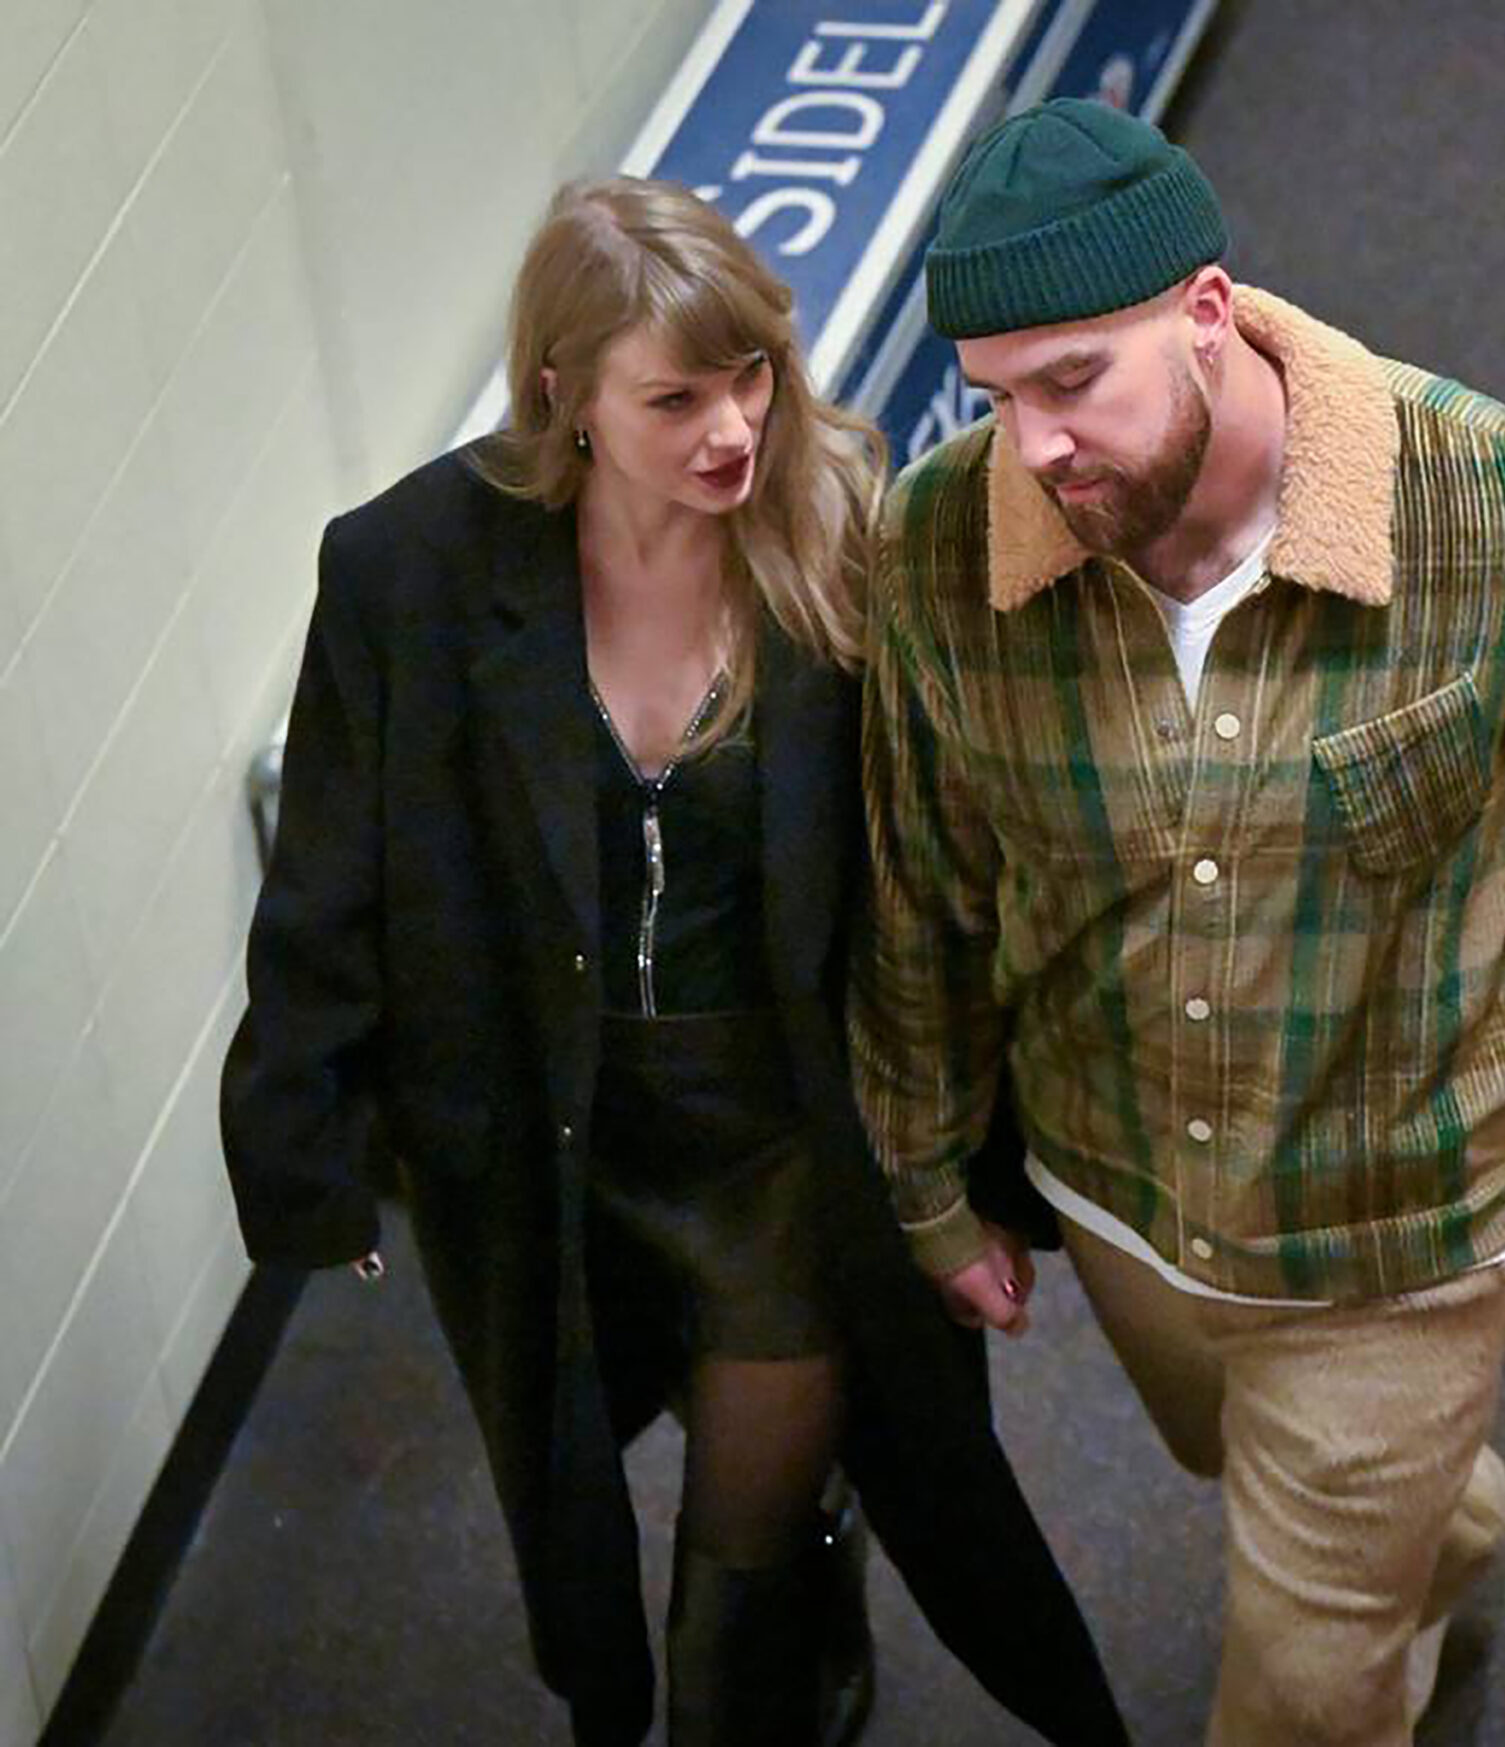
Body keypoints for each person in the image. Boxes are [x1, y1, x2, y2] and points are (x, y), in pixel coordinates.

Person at [853, 100, 1505, 1745]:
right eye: (996, 397)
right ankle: (1439, 1518)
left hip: (1394, 1229)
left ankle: (1387, 1516)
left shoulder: (1492, 509)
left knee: (1312, 1688)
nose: (1035, 447)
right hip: (1118, 1190)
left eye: (1072, 383)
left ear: (1204, 318)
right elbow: (926, 882)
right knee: (1247, 1459)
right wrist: (923, 1176)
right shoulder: (937, 548)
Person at [219, 177, 1125, 1747]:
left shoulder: (843, 529)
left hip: (778, 1136)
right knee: (574, 1477)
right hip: (548, 1126)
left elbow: (943, 868)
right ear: (563, 392)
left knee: (729, 1583)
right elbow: (332, 874)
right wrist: (306, 1135)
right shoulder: (410, 571)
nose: (734, 429)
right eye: (677, 396)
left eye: (754, 373)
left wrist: (973, 1149)